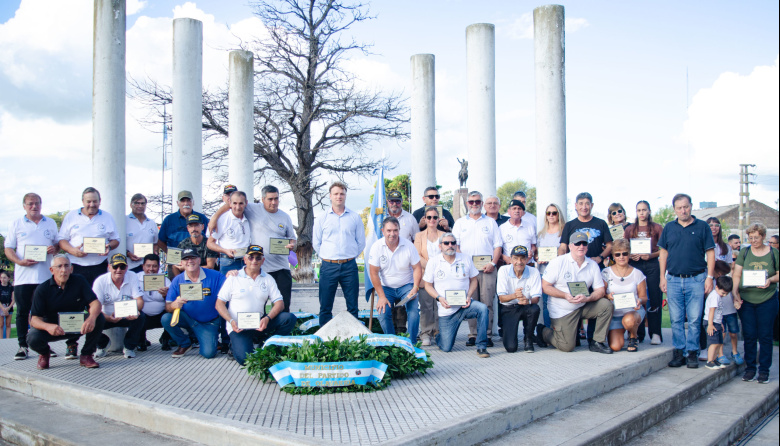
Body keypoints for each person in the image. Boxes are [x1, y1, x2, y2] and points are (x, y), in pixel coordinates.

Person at [210, 185, 297, 311]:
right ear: (262, 199)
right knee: (256, 306)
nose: (273, 202)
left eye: (276, 199)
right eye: (270, 199)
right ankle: (261, 329)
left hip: (281, 268)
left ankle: (279, 330)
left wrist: (292, 245)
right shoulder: (252, 208)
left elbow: (292, 239)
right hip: (259, 269)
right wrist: (214, 218)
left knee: (283, 305)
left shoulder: (285, 217)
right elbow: (232, 204)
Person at [659, 193, 716, 369]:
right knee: (676, 319)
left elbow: (710, 253)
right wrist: (662, 276)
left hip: (696, 279)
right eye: (679, 208)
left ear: (691, 206)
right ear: (674, 209)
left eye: (686, 206)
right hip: (674, 279)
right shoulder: (669, 227)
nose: (683, 210)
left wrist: (709, 277)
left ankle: (692, 352)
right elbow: (663, 253)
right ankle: (679, 351)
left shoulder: (702, 227)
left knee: (694, 319)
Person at [216, 245, 297, 365]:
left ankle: (268, 344)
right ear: (245, 259)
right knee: (246, 360)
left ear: (263, 260)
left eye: (258, 258)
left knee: (289, 318)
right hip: (238, 326)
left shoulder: (268, 279)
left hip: (259, 323)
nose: (254, 261)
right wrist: (231, 321)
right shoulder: (233, 277)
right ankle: (236, 344)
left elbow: (280, 303)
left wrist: (267, 318)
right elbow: (219, 304)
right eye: (251, 257)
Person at [4, 192, 59, 359]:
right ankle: (22, 346)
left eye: (37, 203)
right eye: (30, 204)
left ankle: (44, 346)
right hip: (23, 278)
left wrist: (54, 249)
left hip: (45, 277)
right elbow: (8, 249)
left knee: (46, 313)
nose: (34, 206)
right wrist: (19, 262)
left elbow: (57, 245)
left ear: (41, 204)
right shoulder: (16, 223)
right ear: (24, 206)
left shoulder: (50, 223)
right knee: (22, 312)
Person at [539, 232, 613, 354]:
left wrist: (588, 298)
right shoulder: (558, 262)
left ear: (587, 246)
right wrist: (565, 295)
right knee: (567, 346)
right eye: (577, 243)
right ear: (570, 246)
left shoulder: (593, 265)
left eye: (584, 243)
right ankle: (544, 332)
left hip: (583, 305)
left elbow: (600, 290)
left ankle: (597, 342)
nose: (581, 246)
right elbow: (545, 286)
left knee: (606, 305)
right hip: (563, 310)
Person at [27, 254, 105, 369]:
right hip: (54, 328)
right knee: (32, 337)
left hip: (78, 325)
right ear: (52, 270)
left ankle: (86, 355)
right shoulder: (42, 289)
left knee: (98, 317)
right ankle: (44, 353)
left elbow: (95, 303)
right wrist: (48, 327)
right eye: (59, 266)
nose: (63, 270)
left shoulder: (80, 281)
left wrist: (91, 319)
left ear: (71, 268)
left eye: (66, 266)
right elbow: (34, 319)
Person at [422, 233, 490, 357]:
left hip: (465, 305)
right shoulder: (434, 262)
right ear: (440, 246)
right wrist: (439, 298)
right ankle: (438, 336)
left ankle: (481, 346)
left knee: (483, 309)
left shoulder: (465, 258)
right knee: (446, 347)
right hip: (447, 310)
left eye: (453, 243)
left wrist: (469, 295)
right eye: (446, 243)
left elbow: (474, 279)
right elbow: (427, 285)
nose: (450, 245)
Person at [559, 192, 613, 344]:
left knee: (596, 301)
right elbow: (563, 246)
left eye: (587, 203)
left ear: (592, 205)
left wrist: (600, 257)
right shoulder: (570, 225)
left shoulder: (601, 223)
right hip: (575, 269)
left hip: (595, 269)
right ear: (575, 206)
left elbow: (610, 245)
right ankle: (574, 334)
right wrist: (561, 261)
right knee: (576, 300)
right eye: (581, 204)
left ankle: (593, 339)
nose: (584, 207)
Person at [451, 191, 502, 347]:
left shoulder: (491, 222)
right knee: (471, 302)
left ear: (482, 203)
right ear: (467, 204)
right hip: (467, 271)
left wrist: (493, 263)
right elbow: (455, 246)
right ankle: (473, 334)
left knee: (487, 303)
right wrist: (464, 265)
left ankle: (486, 335)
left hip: (487, 269)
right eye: (471, 202)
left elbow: (497, 245)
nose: (474, 204)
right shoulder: (460, 223)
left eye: (477, 201)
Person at [366, 190, 419, 334]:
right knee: (383, 313)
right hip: (386, 287)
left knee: (414, 312)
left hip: (406, 285)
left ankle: (413, 343)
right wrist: (381, 296)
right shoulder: (377, 246)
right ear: (383, 231)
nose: (392, 234)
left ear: (399, 230)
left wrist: (414, 287)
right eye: (389, 230)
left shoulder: (409, 245)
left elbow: (417, 267)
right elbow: (373, 273)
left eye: (395, 230)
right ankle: (392, 341)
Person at [312, 181, 365, 325]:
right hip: (329, 266)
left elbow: (361, 242)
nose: (339, 196)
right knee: (325, 307)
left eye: (342, 193)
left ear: (345, 196)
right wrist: (329, 256)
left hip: (349, 266)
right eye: (335, 194)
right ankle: (324, 340)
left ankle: (353, 339)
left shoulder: (354, 217)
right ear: (330, 196)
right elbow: (316, 242)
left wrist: (349, 256)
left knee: (353, 306)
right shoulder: (322, 218)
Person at [732, 223, 779, 384]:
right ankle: (750, 368)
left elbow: (778, 274)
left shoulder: (773, 253)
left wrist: (770, 280)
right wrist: (735, 293)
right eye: (750, 238)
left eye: (756, 237)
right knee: (750, 335)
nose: (753, 240)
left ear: (763, 237)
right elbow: (737, 274)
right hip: (747, 299)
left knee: (765, 336)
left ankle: (764, 370)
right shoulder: (744, 252)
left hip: (767, 298)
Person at [162, 248, 226, 359]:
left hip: (208, 322)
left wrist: (232, 275)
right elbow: (167, 307)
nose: (190, 261)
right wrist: (173, 305)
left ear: (199, 260)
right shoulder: (177, 280)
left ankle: (206, 338)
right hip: (188, 318)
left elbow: (229, 295)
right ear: (181, 263)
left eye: (193, 258)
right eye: (186, 259)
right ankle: (185, 343)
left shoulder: (217, 276)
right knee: (166, 318)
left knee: (209, 353)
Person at [58, 187, 120, 285]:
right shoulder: (71, 216)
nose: (92, 205)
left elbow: (116, 240)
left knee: (98, 298)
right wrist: (72, 250)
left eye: (95, 201)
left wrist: (109, 246)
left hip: (100, 266)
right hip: (76, 265)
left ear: (100, 201)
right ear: (83, 201)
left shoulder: (107, 217)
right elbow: (62, 240)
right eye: (88, 201)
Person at [625, 200, 664, 345]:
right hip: (635, 265)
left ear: (649, 211)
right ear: (636, 212)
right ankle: (637, 333)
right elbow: (624, 248)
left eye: (644, 210)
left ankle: (655, 333)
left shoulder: (657, 228)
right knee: (637, 298)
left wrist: (651, 255)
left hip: (652, 264)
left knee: (654, 298)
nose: (642, 213)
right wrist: (630, 256)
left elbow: (664, 249)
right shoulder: (630, 229)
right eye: (639, 210)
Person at [91, 254, 146, 359]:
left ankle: (129, 347)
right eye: (115, 267)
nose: (118, 270)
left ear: (127, 268)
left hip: (126, 314)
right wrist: (107, 318)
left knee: (141, 316)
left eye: (122, 267)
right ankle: (102, 344)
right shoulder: (100, 281)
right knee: (90, 317)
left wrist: (135, 310)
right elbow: (95, 306)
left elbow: (139, 301)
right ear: (109, 267)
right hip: (105, 316)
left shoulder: (132, 276)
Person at [603, 239, 647, 352]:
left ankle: (633, 336)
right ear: (613, 256)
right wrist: (608, 296)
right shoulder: (606, 272)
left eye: (625, 253)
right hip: (615, 314)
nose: (621, 257)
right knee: (615, 347)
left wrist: (639, 301)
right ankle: (622, 331)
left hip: (632, 312)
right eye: (617, 254)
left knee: (629, 320)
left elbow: (644, 297)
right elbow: (601, 293)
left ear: (629, 254)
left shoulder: (637, 273)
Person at [497, 245, 542, 353]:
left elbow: (536, 297)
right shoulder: (503, 270)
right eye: (516, 258)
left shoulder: (534, 271)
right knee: (511, 348)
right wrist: (515, 295)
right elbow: (502, 298)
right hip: (509, 307)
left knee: (534, 308)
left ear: (527, 259)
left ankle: (529, 338)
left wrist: (528, 301)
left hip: (526, 306)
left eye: (522, 258)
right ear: (511, 259)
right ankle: (507, 333)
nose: (519, 262)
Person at [413, 206, 446, 346]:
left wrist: (437, 266)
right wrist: (432, 265)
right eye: (429, 217)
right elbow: (417, 255)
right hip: (425, 274)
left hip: (442, 274)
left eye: (434, 217)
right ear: (424, 219)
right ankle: (426, 333)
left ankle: (439, 331)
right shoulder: (419, 236)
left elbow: (448, 252)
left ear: (438, 219)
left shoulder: (444, 235)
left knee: (440, 305)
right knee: (426, 306)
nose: (432, 220)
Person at [157, 190, 209, 266]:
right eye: (183, 201)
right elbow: (160, 240)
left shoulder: (202, 218)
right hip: (176, 262)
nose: (186, 203)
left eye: (188, 201)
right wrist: (169, 253)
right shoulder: (169, 220)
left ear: (193, 202)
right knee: (175, 278)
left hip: (198, 262)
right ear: (178, 203)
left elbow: (210, 238)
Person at [207, 191, 251, 274]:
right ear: (230, 203)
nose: (238, 207)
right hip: (228, 262)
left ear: (246, 203)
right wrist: (224, 250)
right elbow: (210, 243)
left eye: (241, 203)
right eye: (235, 203)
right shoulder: (222, 219)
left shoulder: (249, 217)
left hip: (246, 262)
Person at [535, 203, 564, 328]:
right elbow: (536, 254)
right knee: (546, 303)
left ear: (559, 215)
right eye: (548, 213)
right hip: (544, 272)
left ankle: (560, 330)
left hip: (560, 273)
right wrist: (538, 258)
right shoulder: (541, 234)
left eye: (554, 213)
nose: (551, 215)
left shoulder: (564, 232)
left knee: (561, 302)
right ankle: (548, 331)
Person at [136, 254, 172, 351]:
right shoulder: (135, 279)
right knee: (137, 313)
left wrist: (166, 295)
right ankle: (141, 340)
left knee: (173, 311)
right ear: (143, 266)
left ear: (158, 267)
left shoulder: (165, 280)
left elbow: (172, 300)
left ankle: (165, 339)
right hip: (143, 315)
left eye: (154, 266)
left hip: (160, 315)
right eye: (148, 266)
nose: (151, 269)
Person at [710, 260, 743, 366]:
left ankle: (735, 352)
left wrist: (737, 300)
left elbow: (735, 291)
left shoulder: (729, 280)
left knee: (733, 333)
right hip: (720, 313)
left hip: (731, 311)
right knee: (722, 333)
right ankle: (720, 354)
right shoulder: (714, 284)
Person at [704, 276, 733, 370]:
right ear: (717, 287)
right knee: (714, 343)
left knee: (719, 342)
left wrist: (720, 323)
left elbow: (718, 313)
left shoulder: (718, 295)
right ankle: (709, 361)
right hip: (711, 322)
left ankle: (714, 359)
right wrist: (710, 324)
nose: (724, 295)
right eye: (723, 293)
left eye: (726, 294)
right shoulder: (714, 296)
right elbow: (711, 311)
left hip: (716, 322)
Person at [125, 193, 159, 273]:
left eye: (142, 203)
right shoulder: (124, 221)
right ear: (131, 205)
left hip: (148, 268)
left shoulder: (152, 223)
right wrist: (128, 254)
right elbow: (119, 243)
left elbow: (155, 243)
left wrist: (155, 252)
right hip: (130, 266)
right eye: (137, 203)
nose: (140, 206)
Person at [500, 200, 537, 265]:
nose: (517, 211)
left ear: (523, 212)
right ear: (509, 211)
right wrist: (504, 257)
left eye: (519, 209)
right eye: (514, 208)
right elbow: (497, 248)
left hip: (527, 264)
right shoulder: (502, 228)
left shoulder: (529, 226)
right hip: (509, 264)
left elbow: (533, 246)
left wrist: (532, 252)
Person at [1, 271, 13, 338]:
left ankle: (8, 338)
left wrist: (8, 307)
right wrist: (2, 308)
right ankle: (1, 339)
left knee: (8, 324)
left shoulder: (11, 287)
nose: (3, 279)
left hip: (9, 307)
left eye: (4, 278)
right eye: (1, 278)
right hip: (1, 307)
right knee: (1, 324)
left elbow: (14, 299)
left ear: (8, 278)